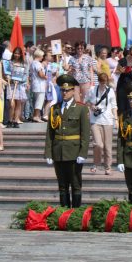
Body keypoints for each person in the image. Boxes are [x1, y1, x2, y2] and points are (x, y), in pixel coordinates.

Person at [44, 75, 90, 208]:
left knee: (75, 184)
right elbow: (50, 133)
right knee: (62, 185)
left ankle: (75, 213)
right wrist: (48, 153)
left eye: (67, 90)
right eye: (62, 90)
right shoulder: (55, 108)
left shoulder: (81, 108)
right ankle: (63, 213)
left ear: (73, 91)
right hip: (58, 151)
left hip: (74, 152)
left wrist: (83, 153)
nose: (64, 93)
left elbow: (85, 134)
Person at [86, 71, 117, 175]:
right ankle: (96, 163)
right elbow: (86, 101)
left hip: (108, 120)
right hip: (95, 120)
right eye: (102, 82)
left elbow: (114, 106)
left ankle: (108, 167)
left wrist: (116, 119)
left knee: (108, 146)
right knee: (98, 144)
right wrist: (92, 106)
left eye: (105, 82)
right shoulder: (92, 90)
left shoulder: (111, 91)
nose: (103, 84)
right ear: (98, 81)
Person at [30, 49, 47, 122]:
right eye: (42, 56)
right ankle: (36, 116)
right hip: (39, 85)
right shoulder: (37, 63)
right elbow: (40, 74)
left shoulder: (33, 63)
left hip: (36, 84)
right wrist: (45, 77)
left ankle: (35, 115)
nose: (43, 57)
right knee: (39, 101)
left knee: (37, 100)